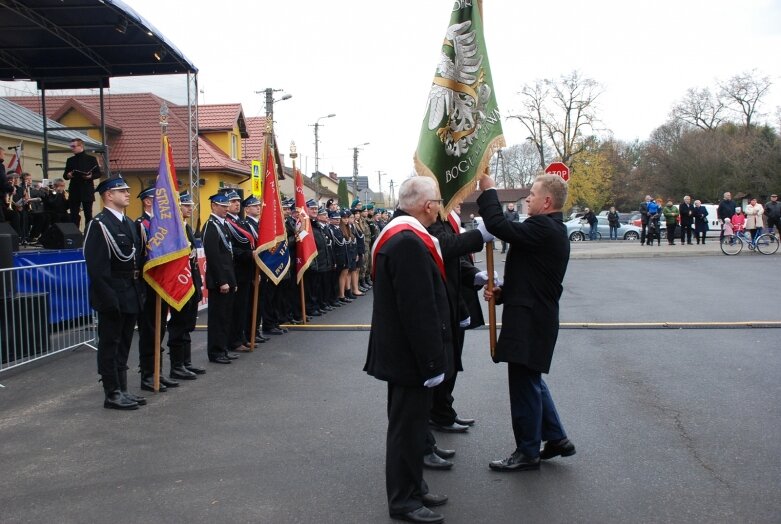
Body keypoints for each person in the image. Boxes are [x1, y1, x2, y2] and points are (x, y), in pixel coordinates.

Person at [364, 176, 450, 524]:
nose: (440, 208)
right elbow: (418, 310)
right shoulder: (407, 243)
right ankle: (404, 500)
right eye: (439, 202)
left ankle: (414, 486)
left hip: (406, 354)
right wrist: (432, 362)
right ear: (428, 206)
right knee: (406, 430)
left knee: (414, 429)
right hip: (410, 357)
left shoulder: (403, 237)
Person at [476, 173, 575, 472]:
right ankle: (556, 438)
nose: (527, 198)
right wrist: (503, 293)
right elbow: (531, 277)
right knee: (531, 380)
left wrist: (489, 190)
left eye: (532, 194)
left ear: (547, 202)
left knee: (523, 384)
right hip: (534, 314)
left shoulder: (544, 226)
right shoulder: (547, 228)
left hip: (531, 319)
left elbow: (498, 225)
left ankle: (528, 450)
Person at [424, 205, 484, 469]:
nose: (459, 204)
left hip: (455, 299)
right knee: (439, 370)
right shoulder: (426, 225)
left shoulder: (448, 218)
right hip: (439, 306)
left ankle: (444, 411)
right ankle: (438, 418)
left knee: (452, 363)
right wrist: (479, 235)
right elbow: (446, 248)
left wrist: (474, 275)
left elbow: (457, 260)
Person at [83, 175, 145, 410]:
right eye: (122, 190)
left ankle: (123, 389)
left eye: (127, 190)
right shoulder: (99, 224)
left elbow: (134, 260)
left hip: (130, 291)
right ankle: (112, 392)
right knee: (110, 344)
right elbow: (97, 268)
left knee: (125, 343)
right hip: (112, 293)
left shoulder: (129, 224)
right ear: (108, 195)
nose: (128, 193)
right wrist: (109, 299)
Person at [135, 187, 179, 392]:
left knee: (160, 330)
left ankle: (158, 372)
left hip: (161, 285)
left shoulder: (163, 225)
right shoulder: (141, 225)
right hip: (148, 286)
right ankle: (148, 374)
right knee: (149, 332)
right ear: (147, 202)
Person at [165, 192, 205, 380]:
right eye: (186, 205)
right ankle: (176, 365)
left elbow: (193, 258)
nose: (190, 209)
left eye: (191, 205)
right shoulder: (172, 230)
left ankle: (186, 362)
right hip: (179, 283)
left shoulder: (187, 228)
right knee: (178, 325)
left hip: (191, 281)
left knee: (188, 324)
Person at [201, 193, 237, 364]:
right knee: (218, 318)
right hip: (219, 281)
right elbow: (214, 257)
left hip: (228, 278)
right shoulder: (210, 226)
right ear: (214, 206)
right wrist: (221, 281)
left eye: (226, 206)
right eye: (222, 206)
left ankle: (223, 348)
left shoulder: (222, 225)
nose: (225, 209)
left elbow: (228, 256)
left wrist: (232, 281)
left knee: (226, 317)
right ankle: (216, 352)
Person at [63, 138, 101, 228]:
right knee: (74, 214)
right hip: (74, 189)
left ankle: (88, 234)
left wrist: (90, 176)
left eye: (73, 146)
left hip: (87, 189)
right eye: (71, 146)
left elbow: (98, 173)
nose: (72, 148)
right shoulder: (70, 160)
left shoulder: (91, 159)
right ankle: (75, 235)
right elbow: (65, 175)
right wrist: (68, 175)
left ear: (81, 146)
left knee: (88, 214)